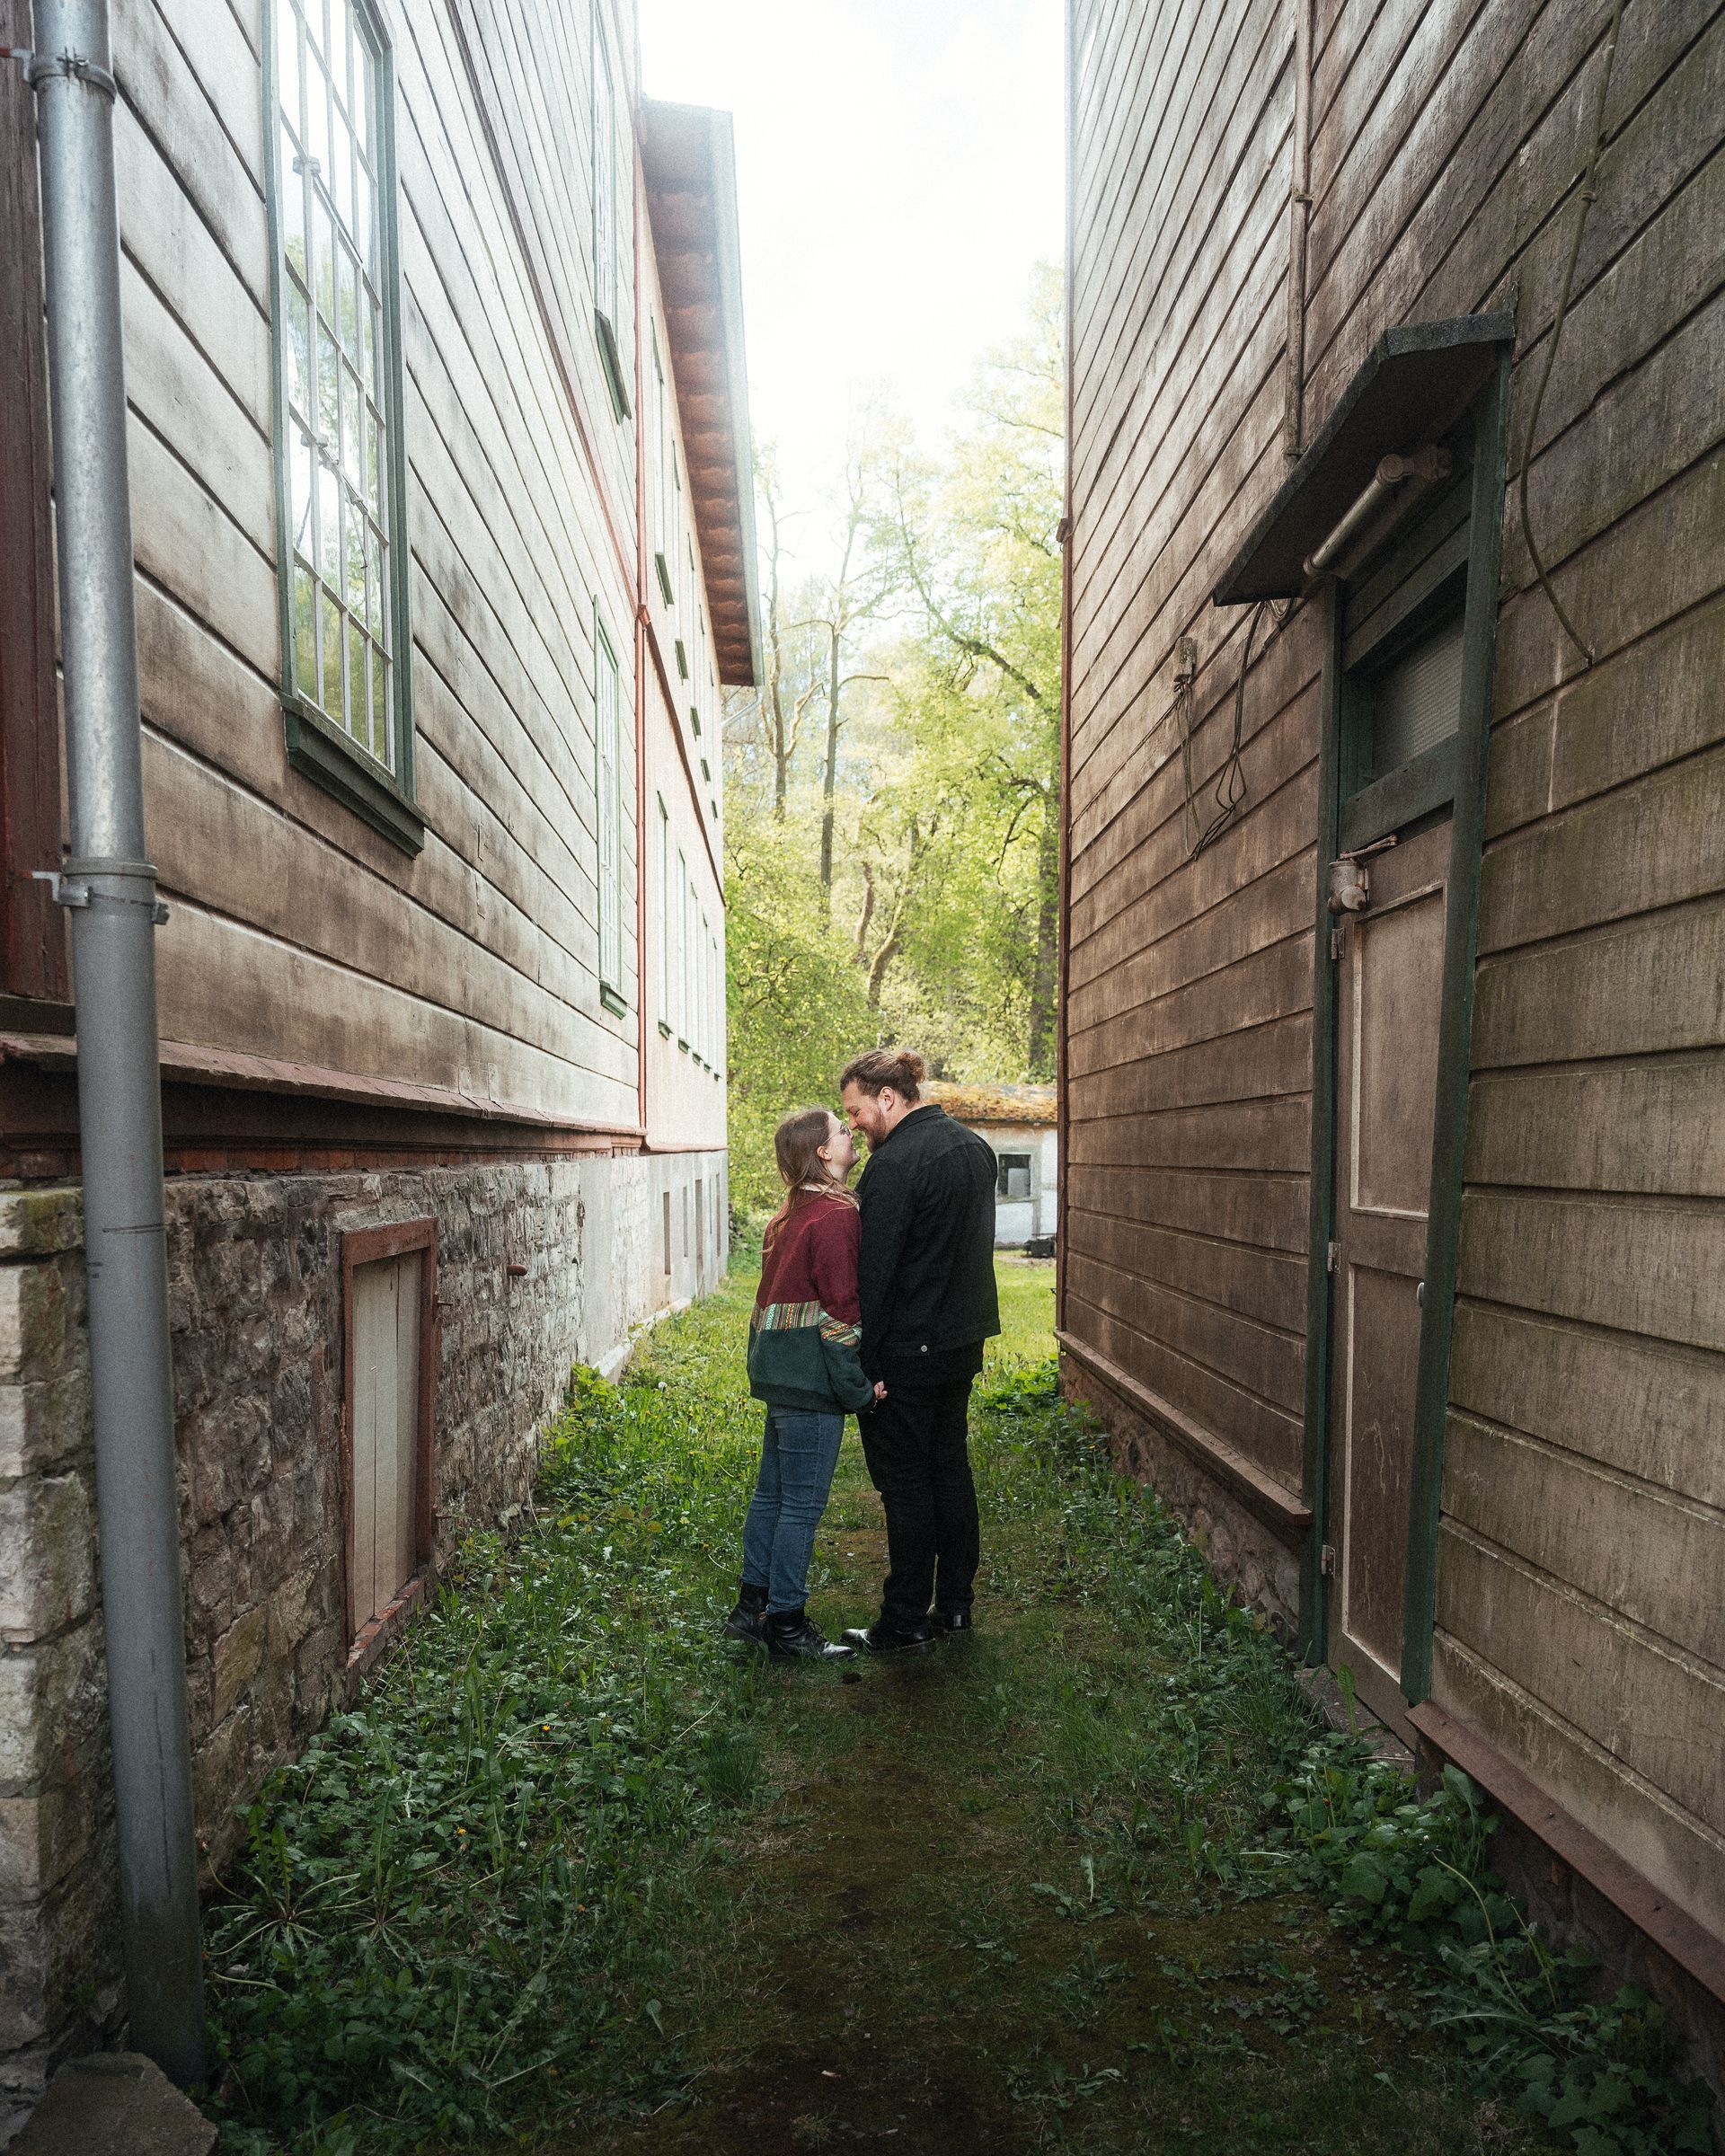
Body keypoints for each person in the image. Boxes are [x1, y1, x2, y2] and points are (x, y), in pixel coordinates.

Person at [837, 1049, 1000, 1654]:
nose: (853, 1123)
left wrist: (862, 1363)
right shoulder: (974, 1149)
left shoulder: (895, 1165)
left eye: (857, 1110)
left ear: (888, 1096)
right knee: (949, 1470)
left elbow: (875, 1276)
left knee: (907, 1482)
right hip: (961, 1341)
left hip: (908, 1348)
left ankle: (905, 1619)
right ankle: (955, 1607)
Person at [725, 1107, 875, 1662]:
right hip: (811, 1382)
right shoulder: (835, 1217)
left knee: (772, 1495)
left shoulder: (789, 1214)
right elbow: (841, 1313)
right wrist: (859, 1390)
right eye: (841, 1130)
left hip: (778, 1374)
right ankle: (786, 1624)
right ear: (821, 1152)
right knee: (801, 1506)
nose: (850, 1132)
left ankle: (750, 1609)